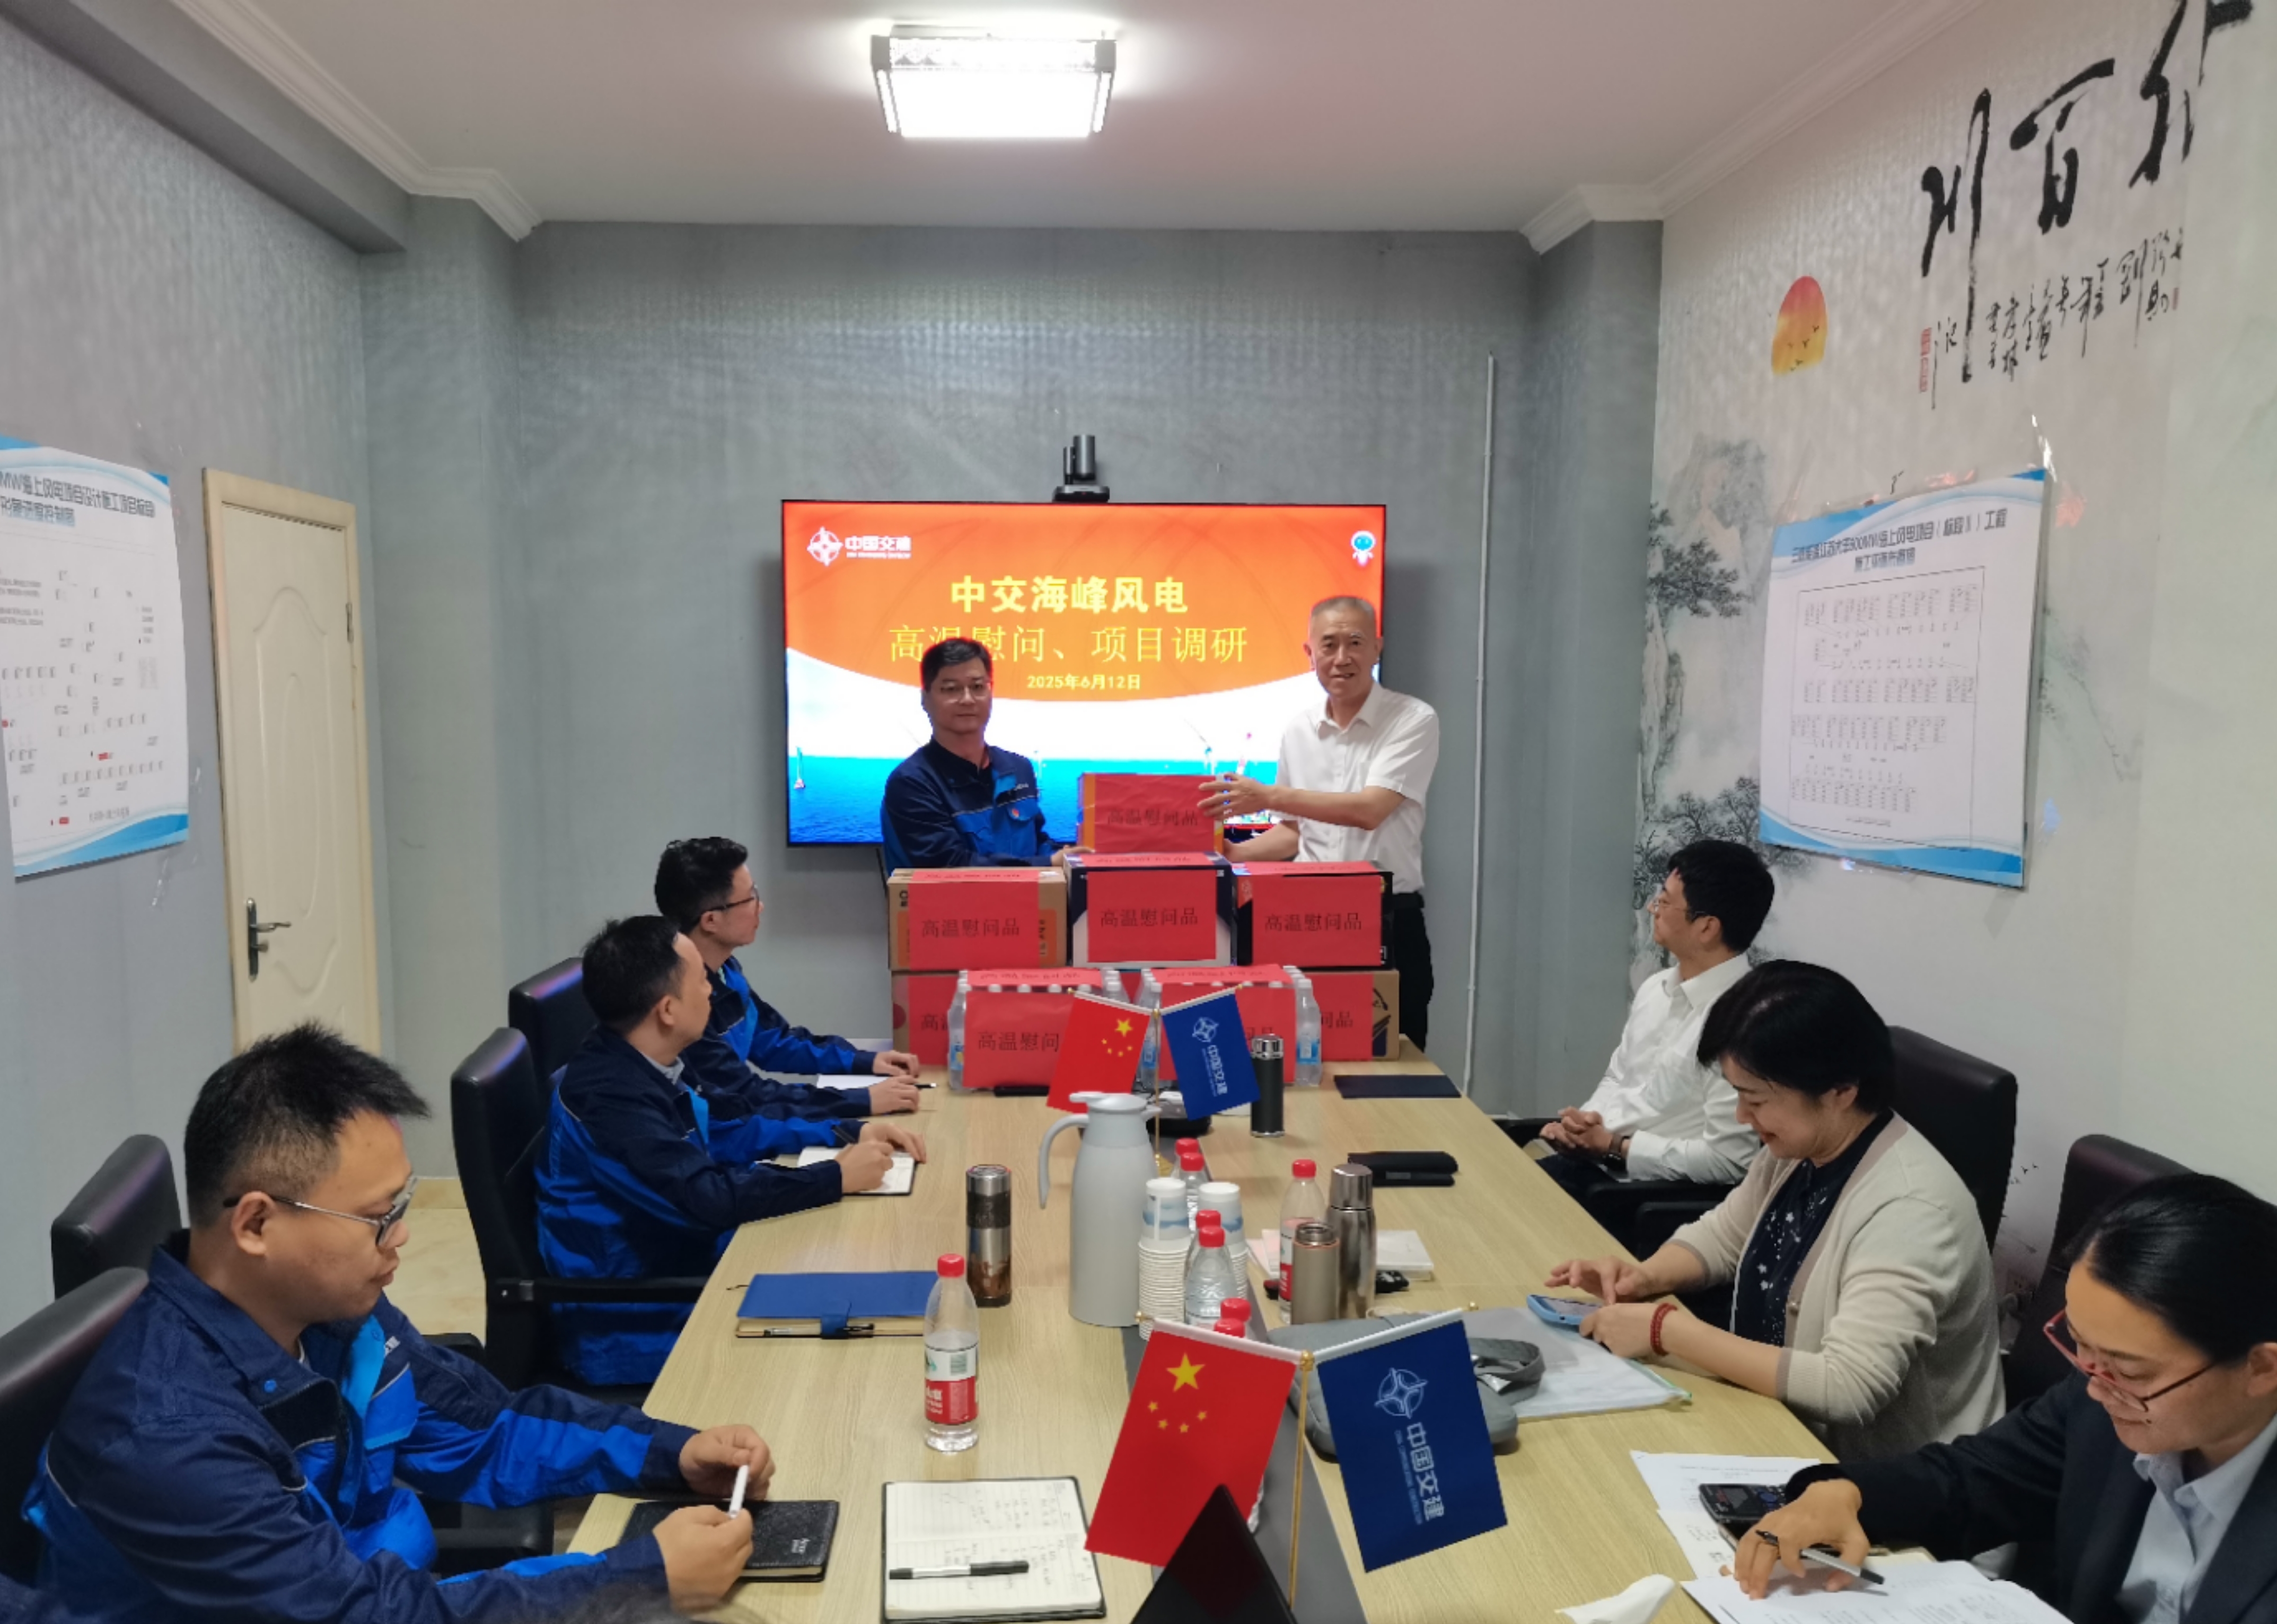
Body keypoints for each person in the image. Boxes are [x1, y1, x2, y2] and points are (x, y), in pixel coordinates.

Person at [23, 1025, 762, 1624]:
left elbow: (483, 1428)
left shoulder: (330, 1313)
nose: (401, 1236)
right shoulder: (167, 1436)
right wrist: (636, 1578)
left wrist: (672, 1451)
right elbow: (353, 1614)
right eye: (379, 1216)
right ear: (256, 1223)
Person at [1735, 1176, 2277, 1624]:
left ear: (2261, 1369)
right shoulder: (2101, 1397)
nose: (2094, 1384)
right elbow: (1971, 1480)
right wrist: (1847, 1493)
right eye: (2078, 1343)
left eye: (2128, 1370)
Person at [1548, 961, 2002, 1461]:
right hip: (1772, 1426)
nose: (1742, 1117)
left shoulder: (1910, 1210)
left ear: (1841, 1091)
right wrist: (1643, 1276)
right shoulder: (1803, 1148)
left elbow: (1849, 1385)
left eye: (1756, 1099)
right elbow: (1725, 1236)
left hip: (1896, 1481)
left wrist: (1666, 1329)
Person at [537, 916, 927, 1384]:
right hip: (637, 1318)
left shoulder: (648, 1058)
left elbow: (730, 1128)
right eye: (700, 981)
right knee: (850, 1345)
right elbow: (708, 1199)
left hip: (691, 1266)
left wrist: (845, 1133)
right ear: (667, 1009)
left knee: (854, 1271)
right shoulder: (609, 1099)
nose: (711, 990)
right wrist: (835, 1177)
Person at [1202, 596, 1439, 1049]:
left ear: (1377, 648)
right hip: (1308, 917)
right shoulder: (1298, 729)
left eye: (1355, 643)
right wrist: (1231, 855)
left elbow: (1369, 810)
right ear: (1309, 654)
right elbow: (1293, 832)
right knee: (1304, 1050)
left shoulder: (1412, 718)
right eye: (1328, 645)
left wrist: (1268, 796)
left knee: (1390, 1060)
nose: (1341, 658)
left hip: (1387, 915)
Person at [1535, 840, 1775, 1197]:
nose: (1652, 908)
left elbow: (1728, 1161)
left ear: (1707, 927)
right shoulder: (1655, 988)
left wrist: (1615, 1146)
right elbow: (1619, 1077)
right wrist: (1581, 1126)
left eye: (1664, 901)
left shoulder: (1745, 1020)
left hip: (1639, 1195)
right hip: (1591, 1166)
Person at [654, 836, 921, 1115]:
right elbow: (745, 1098)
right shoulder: (681, 1006)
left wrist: (864, 1061)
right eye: (750, 898)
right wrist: (861, 1101)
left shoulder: (726, 971)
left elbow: (774, 1041)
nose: (760, 906)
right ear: (711, 920)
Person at [881, 638, 1066, 868]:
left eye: (977, 687)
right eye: (951, 689)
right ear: (925, 699)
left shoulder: (1018, 769)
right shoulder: (912, 783)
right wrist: (1048, 863)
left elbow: (1037, 842)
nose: (967, 699)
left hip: (1033, 894)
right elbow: (949, 866)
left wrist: (1070, 859)